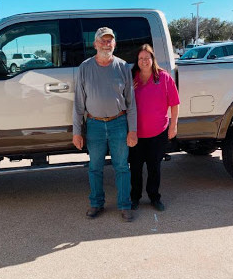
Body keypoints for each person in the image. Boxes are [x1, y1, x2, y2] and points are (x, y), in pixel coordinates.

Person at [73, 27, 138, 222]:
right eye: (102, 40)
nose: (106, 44)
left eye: (110, 40)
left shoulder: (123, 67)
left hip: (119, 123)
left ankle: (125, 205)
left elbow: (131, 103)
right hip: (94, 125)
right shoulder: (85, 67)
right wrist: (77, 132)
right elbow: (78, 104)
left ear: (114, 44)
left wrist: (132, 130)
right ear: (95, 44)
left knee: (122, 167)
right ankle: (96, 203)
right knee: (95, 167)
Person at [129, 44, 180, 211]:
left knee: (154, 168)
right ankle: (134, 197)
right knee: (135, 168)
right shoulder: (131, 77)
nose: (144, 61)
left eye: (147, 58)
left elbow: (174, 104)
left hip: (158, 133)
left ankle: (154, 197)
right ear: (137, 61)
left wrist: (173, 126)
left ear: (152, 59)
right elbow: (121, 102)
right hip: (135, 133)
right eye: (141, 58)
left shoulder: (164, 77)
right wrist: (129, 90)